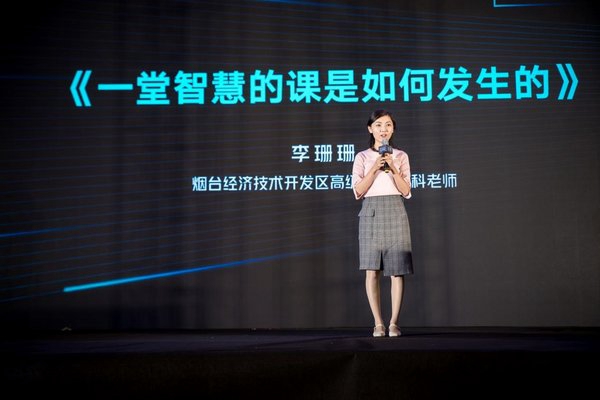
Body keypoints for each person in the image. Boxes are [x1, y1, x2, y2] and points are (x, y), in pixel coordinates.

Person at [352, 109, 413, 337]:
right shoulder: (362, 157)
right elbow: (358, 191)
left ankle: (394, 322)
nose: (383, 129)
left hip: (396, 210)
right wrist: (375, 167)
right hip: (371, 212)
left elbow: (406, 191)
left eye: (388, 125)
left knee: (397, 271)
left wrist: (393, 167)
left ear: (393, 129)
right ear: (370, 129)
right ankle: (378, 323)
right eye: (378, 125)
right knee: (372, 271)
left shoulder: (401, 155)